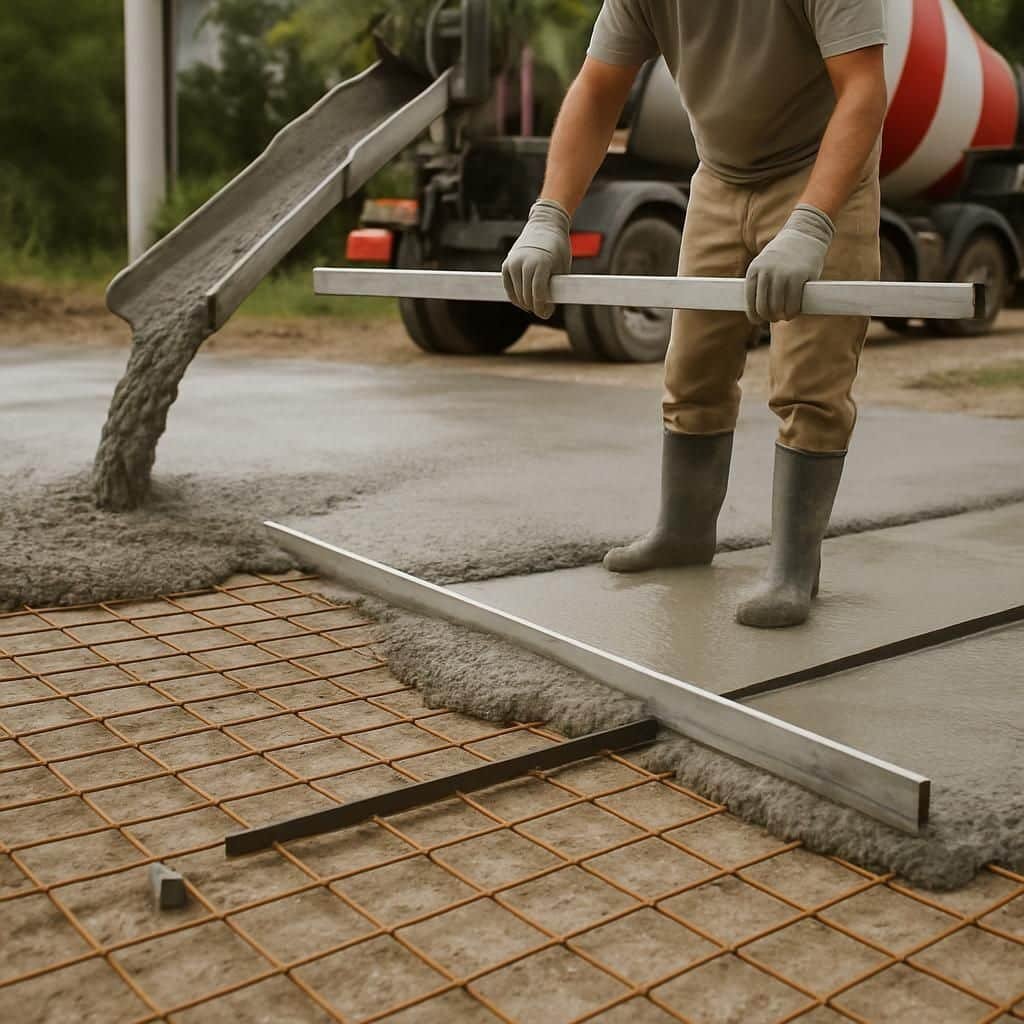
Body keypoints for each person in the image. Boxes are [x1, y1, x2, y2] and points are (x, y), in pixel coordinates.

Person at [502, 0, 887, 628]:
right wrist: (549, 216)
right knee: (693, 370)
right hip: (720, 178)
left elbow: (864, 88)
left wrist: (812, 224)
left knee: (808, 386)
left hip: (820, 176)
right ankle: (684, 532)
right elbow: (599, 86)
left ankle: (794, 570)